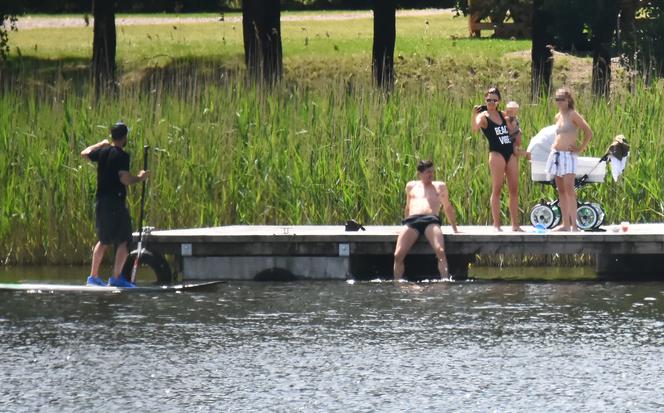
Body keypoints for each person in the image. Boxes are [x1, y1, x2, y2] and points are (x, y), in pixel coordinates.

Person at [80, 122, 149, 287]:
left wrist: (101, 143)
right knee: (124, 239)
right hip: (115, 202)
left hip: (101, 201)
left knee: (104, 240)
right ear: (124, 138)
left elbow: (85, 153)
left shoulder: (103, 152)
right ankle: (116, 278)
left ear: (112, 136)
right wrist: (139, 178)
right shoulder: (122, 156)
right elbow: (124, 178)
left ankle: (93, 277)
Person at [393, 160, 459, 281]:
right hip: (412, 222)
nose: (431, 175)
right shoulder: (411, 186)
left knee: (440, 250)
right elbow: (408, 207)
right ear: (420, 173)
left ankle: (444, 281)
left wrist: (455, 228)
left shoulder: (439, 186)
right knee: (398, 255)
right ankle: (397, 282)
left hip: (431, 221)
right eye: (428, 172)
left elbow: (447, 207)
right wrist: (403, 227)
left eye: (432, 172)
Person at [471, 87, 522, 232]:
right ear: (485, 100)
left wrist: (514, 123)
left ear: (499, 101)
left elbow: (514, 130)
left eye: (494, 100)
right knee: (497, 189)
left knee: (514, 189)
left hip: (509, 152)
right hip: (496, 154)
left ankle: (515, 224)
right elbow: (474, 129)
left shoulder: (503, 114)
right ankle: (496, 224)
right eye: (488, 100)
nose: (491, 102)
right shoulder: (483, 116)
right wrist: (473, 115)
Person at [545, 88, 593, 231]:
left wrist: (580, 148)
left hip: (568, 155)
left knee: (569, 190)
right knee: (560, 190)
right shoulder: (558, 116)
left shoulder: (573, 114)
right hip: (556, 154)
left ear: (569, 100)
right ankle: (565, 224)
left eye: (562, 99)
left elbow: (588, 132)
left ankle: (574, 226)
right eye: (557, 99)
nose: (559, 102)